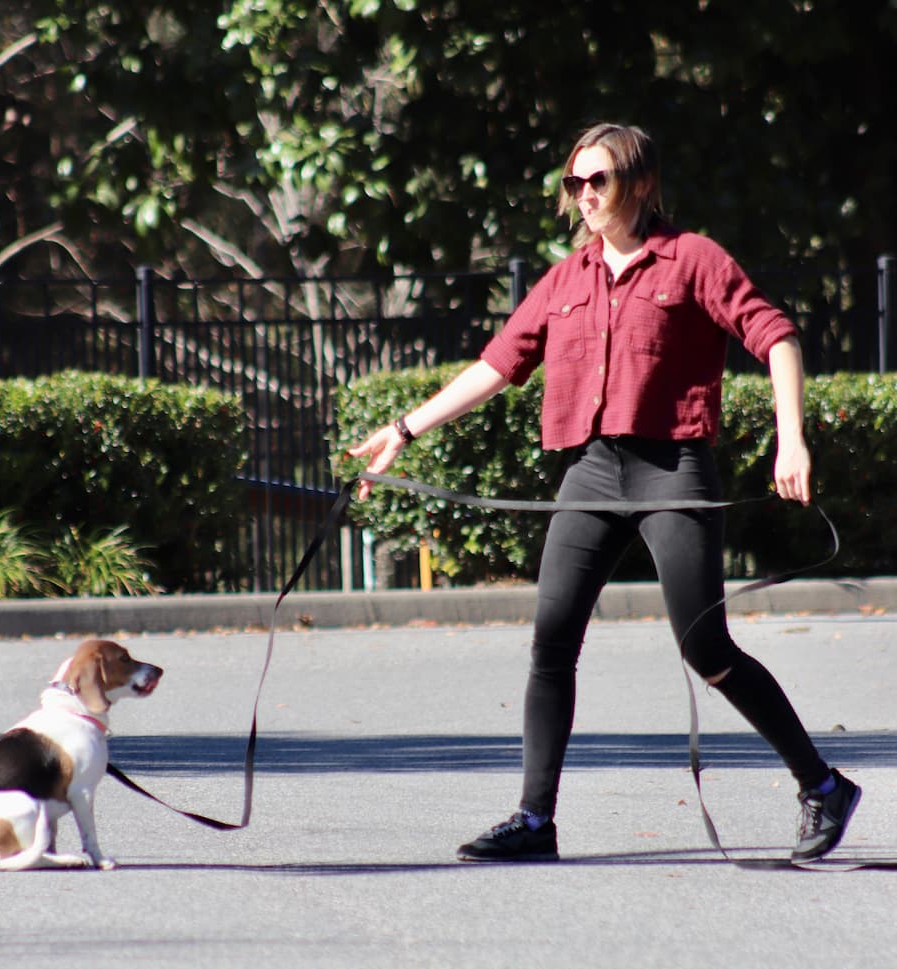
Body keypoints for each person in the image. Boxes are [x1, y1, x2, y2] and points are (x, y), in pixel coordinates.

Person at [348, 122, 860, 864]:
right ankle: (534, 819)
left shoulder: (692, 259)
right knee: (551, 640)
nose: (585, 195)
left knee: (705, 645)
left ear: (641, 184)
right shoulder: (566, 278)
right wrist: (405, 427)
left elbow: (775, 335)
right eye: (575, 183)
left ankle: (822, 784)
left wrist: (793, 438)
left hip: (671, 468)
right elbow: (497, 365)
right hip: (591, 472)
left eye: (600, 181)